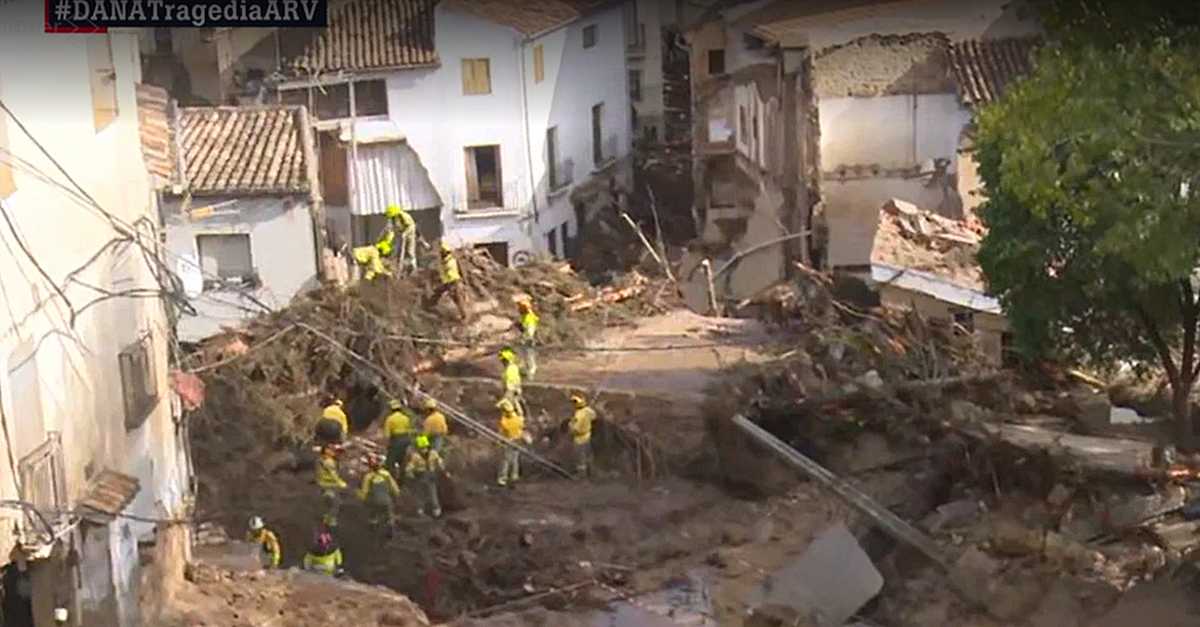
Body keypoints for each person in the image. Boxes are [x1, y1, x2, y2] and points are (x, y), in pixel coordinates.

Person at [357, 454, 401, 534]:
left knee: (373, 512)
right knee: (389, 514)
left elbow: (365, 492)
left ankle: (373, 524)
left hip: (375, 501)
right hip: (386, 500)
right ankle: (390, 526)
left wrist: (360, 497)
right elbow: (394, 487)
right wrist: (397, 495)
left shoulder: (368, 477)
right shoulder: (386, 474)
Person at [405, 434, 446, 518]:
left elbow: (439, 462)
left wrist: (443, 470)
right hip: (422, 476)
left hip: (429, 475)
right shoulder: (416, 457)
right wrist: (410, 474)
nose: (424, 450)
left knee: (431, 492)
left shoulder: (432, 454)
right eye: (422, 448)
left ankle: (435, 510)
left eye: (425, 447)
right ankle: (422, 510)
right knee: (423, 493)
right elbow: (409, 468)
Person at [425, 240, 467, 320]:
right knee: (438, 293)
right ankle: (430, 304)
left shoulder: (448, 262)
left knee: (457, 298)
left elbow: (444, 270)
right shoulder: (449, 259)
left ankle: (464, 315)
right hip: (448, 281)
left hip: (452, 282)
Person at [315, 444, 347, 527]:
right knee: (336, 503)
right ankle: (331, 519)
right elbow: (333, 474)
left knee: (328, 502)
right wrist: (341, 483)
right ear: (327, 451)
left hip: (322, 483)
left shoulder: (320, 459)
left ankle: (327, 516)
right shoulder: (329, 462)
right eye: (333, 450)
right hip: (330, 484)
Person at [382, 399, 415, 480]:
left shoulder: (390, 419)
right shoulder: (406, 418)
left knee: (390, 461)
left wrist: (387, 445)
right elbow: (410, 431)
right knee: (402, 460)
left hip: (396, 440)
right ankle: (403, 478)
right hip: (406, 439)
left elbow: (387, 435)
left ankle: (391, 479)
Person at [496, 398, 525, 487]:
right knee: (515, 459)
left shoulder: (504, 422)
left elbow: (501, 434)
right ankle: (514, 476)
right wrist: (516, 401)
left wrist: (499, 442)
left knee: (506, 460)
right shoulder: (518, 418)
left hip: (509, 441)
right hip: (518, 440)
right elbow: (521, 412)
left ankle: (502, 479)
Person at [568, 393, 596, 477]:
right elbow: (594, 416)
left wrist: (570, 425)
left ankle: (581, 475)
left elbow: (576, 429)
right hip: (588, 436)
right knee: (588, 455)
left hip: (579, 440)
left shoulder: (579, 415)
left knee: (580, 459)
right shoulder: (588, 411)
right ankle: (592, 472)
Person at [384, 204, 418, 273]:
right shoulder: (392, 219)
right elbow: (391, 230)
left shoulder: (404, 216)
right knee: (396, 250)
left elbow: (412, 226)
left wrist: (405, 233)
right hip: (400, 234)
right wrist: (389, 240)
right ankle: (397, 267)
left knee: (410, 251)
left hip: (409, 235)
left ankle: (414, 267)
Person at [499, 347, 527, 417]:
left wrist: (506, 398)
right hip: (515, 391)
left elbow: (510, 387)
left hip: (512, 392)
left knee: (510, 410)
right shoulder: (513, 367)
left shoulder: (510, 369)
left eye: (503, 360)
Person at [517, 298, 539, 380]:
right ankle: (525, 370)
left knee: (529, 355)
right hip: (525, 338)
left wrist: (529, 337)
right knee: (524, 354)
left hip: (529, 339)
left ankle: (531, 372)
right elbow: (524, 327)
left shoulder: (529, 317)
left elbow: (530, 329)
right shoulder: (525, 316)